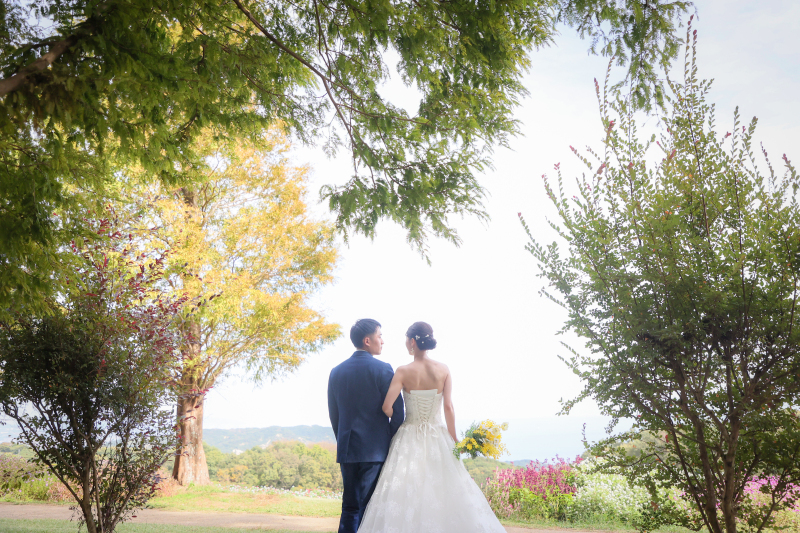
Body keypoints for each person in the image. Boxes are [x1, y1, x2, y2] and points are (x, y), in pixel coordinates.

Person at [357, 321, 506, 533]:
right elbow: (448, 407)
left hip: (409, 435)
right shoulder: (443, 370)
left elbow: (386, 406)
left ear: (411, 342)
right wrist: (455, 440)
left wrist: (394, 417)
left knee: (407, 489)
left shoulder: (403, 371)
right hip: (438, 435)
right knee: (446, 487)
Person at [328, 319, 405, 533]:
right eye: (380, 336)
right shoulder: (383, 369)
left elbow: (335, 416)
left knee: (349, 507)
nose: (383, 341)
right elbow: (398, 412)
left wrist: (344, 441)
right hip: (375, 451)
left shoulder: (336, 371)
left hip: (347, 448)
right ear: (367, 340)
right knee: (369, 508)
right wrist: (388, 440)